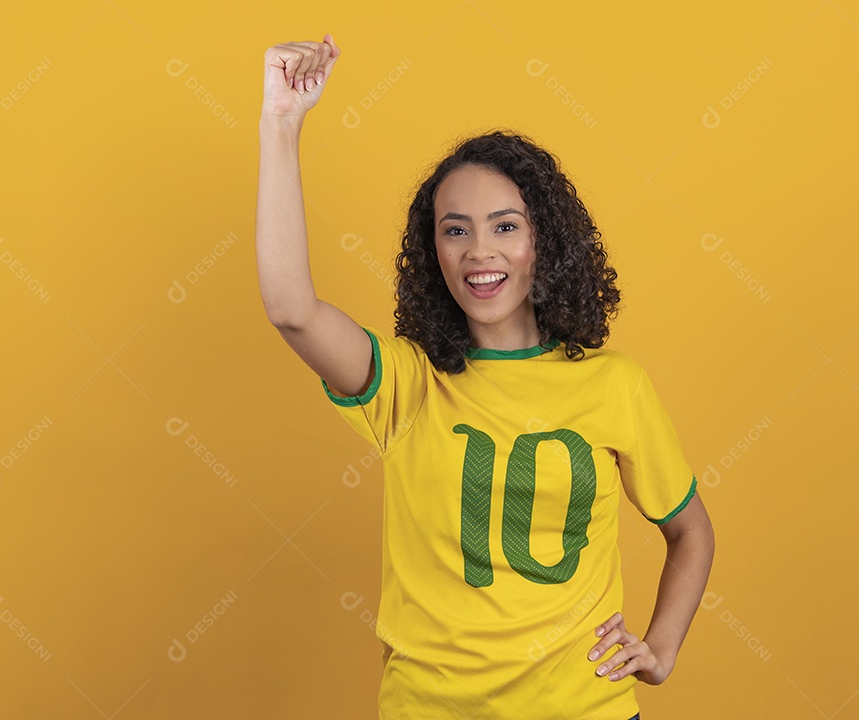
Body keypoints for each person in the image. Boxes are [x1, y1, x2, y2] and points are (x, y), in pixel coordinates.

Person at [256, 35, 716, 720]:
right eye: (455, 230)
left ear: (543, 242)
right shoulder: (407, 384)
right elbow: (292, 310)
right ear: (433, 252)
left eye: (505, 227)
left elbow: (691, 532)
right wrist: (281, 122)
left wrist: (662, 648)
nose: (479, 251)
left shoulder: (615, 385)